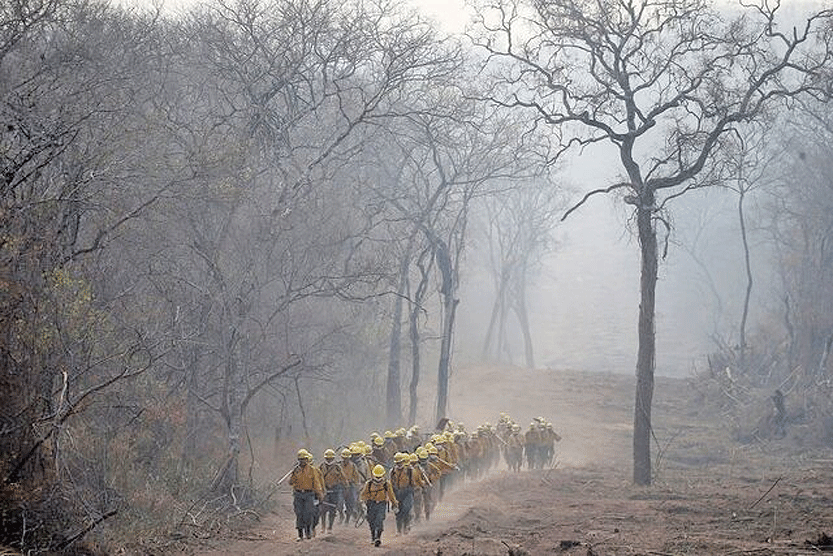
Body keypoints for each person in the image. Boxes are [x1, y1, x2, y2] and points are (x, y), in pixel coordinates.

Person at [288, 449, 324, 541]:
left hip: (309, 494)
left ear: (307, 460)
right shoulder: (296, 470)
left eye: (304, 459)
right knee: (299, 514)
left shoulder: (312, 470)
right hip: (298, 494)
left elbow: (316, 483)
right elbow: (291, 482)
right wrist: (293, 473)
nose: (302, 461)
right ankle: (300, 534)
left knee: (308, 513)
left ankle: (308, 532)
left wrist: (320, 495)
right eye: (300, 459)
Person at [359, 464, 398, 547]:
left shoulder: (386, 484)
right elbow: (363, 495)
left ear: (383, 475)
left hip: (381, 504)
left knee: (379, 521)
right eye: (376, 477)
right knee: (371, 521)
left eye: (379, 477)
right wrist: (363, 504)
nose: (378, 479)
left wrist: (395, 504)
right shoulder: (368, 484)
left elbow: (391, 495)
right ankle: (373, 536)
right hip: (371, 504)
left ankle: (378, 538)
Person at [390, 452, 422, 535]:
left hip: (407, 491)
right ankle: (399, 530)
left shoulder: (410, 470)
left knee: (407, 509)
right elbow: (390, 484)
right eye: (397, 462)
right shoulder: (392, 471)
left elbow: (413, 482)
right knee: (398, 512)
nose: (399, 464)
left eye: (400, 462)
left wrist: (416, 489)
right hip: (397, 492)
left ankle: (406, 526)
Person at [318, 448, 347, 532]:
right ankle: (323, 526)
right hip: (324, 489)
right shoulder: (321, 466)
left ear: (333, 458)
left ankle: (330, 527)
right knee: (323, 509)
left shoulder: (337, 467)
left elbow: (343, 477)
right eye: (327, 458)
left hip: (335, 490)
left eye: (330, 458)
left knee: (332, 509)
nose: (329, 460)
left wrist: (346, 486)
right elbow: (317, 477)